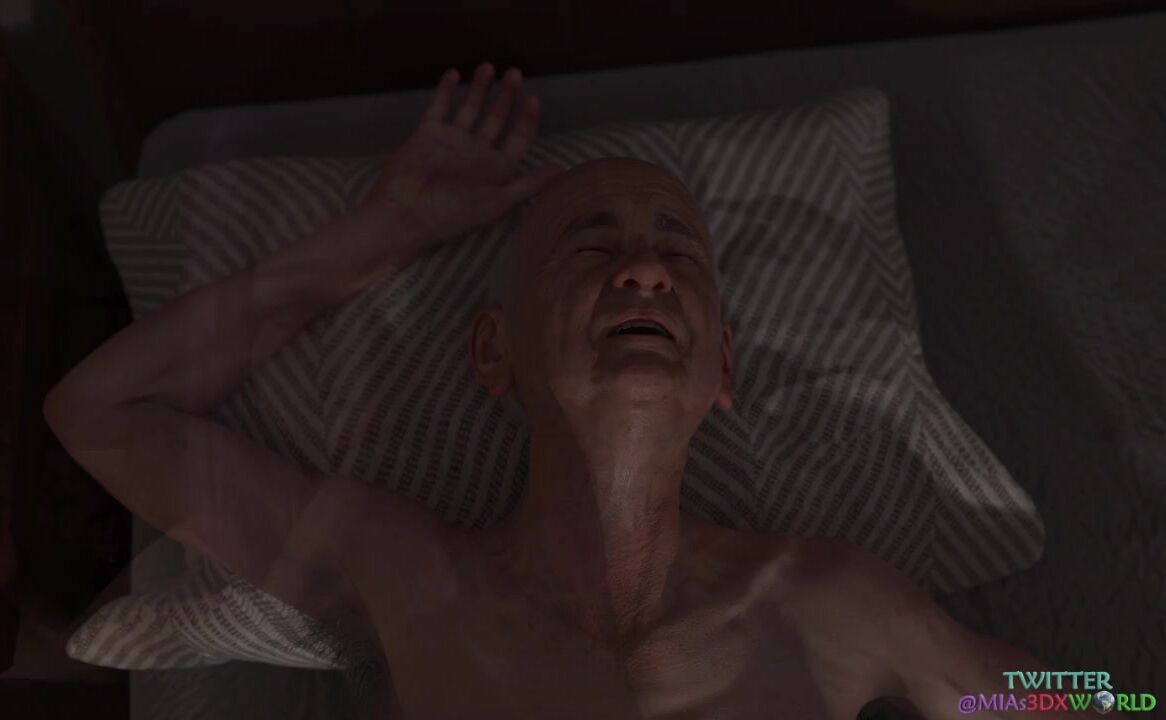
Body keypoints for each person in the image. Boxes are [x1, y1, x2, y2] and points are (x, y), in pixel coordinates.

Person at [43, 62, 1105, 720]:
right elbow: (102, 413)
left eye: (677, 252)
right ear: (492, 354)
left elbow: (1083, 702)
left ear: (723, 369)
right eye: (589, 248)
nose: (642, 270)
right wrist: (386, 231)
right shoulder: (395, 570)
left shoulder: (838, 600)